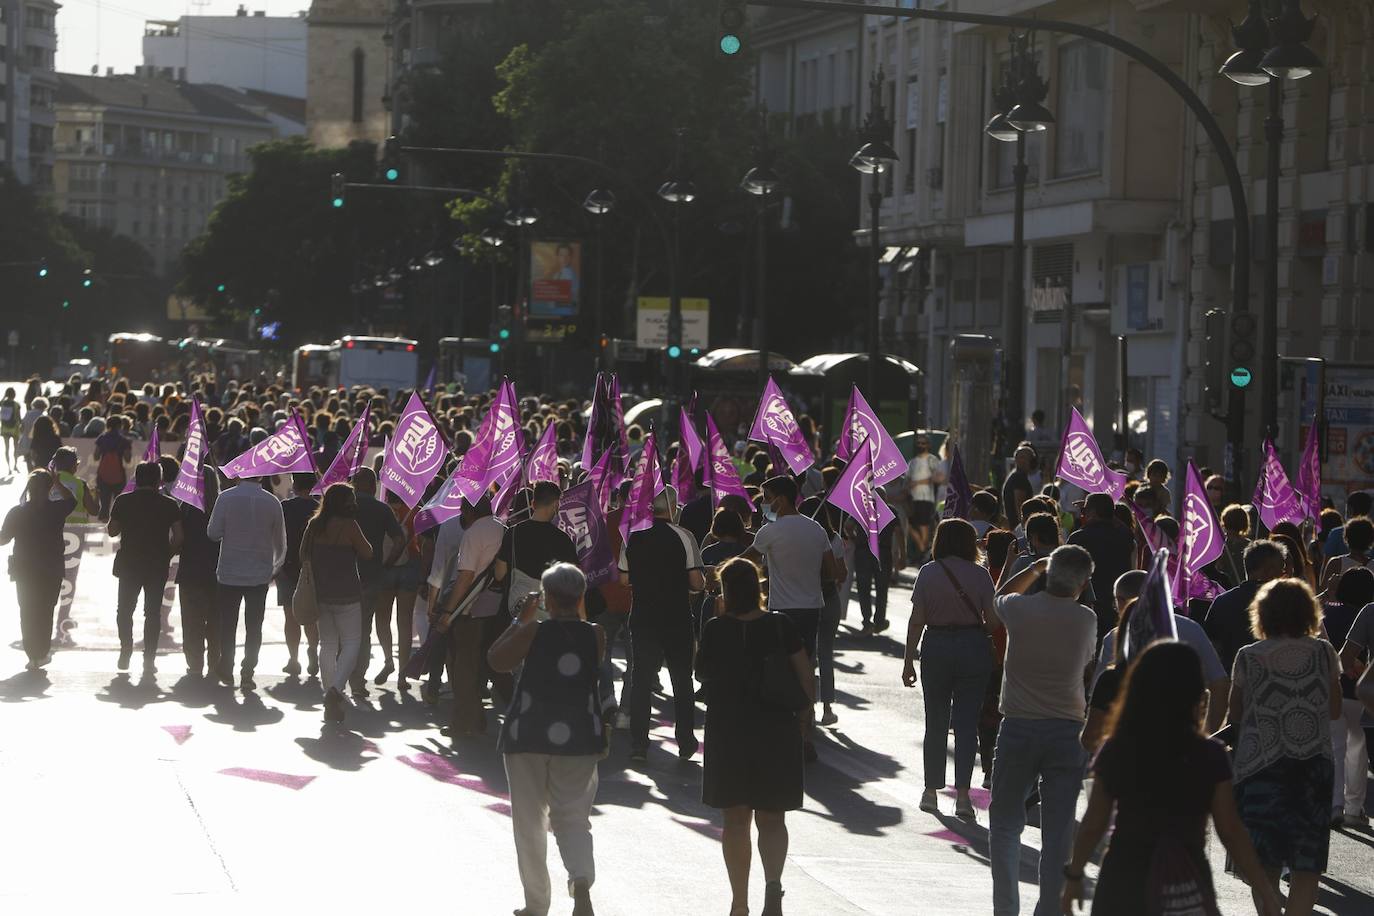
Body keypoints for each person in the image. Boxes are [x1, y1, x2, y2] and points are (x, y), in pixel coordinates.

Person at [1061, 642, 1282, 916]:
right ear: (1195, 695)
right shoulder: (1209, 755)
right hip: (1185, 882)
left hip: (1123, 881)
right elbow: (1231, 830)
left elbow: (1094, 823)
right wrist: (1265, 890)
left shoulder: (1118, 749)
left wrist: (1074, 875)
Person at [986, 544, 1097, 916]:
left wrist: (1033, 568)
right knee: (1058, 831)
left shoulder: (1020, 609)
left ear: (1049, 573)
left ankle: (1006, 908)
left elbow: (998, 597)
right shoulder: (1086, 619)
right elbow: (1087, 664)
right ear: (1083, 582)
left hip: (1018, 725)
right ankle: (1049, 909)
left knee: (1004, 822)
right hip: (1068, 729)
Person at [696, 557, 811, 916]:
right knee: (773, 818)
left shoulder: (716, 628)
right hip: (776, 728)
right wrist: (805, 720)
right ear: (759, 586)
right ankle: (773, 888)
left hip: (729, 731)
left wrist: (716, 618)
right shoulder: (781, 625)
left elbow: (701, 672)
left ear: (726, 591)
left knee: (735, 820)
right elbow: (805, 676)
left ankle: (739, 903)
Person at [488, 562, 603, 916]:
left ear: (547, 598)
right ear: (581, 595)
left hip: (528, 733)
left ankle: (536, 905)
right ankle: (580, 878)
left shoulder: (534, 631)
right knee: (573, 817)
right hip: (580, 737)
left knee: (529, 822)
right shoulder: (595, 634)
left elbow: (496, 660)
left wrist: (521, 618)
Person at [1229, 579, 1342, 916]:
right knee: (1307, 863)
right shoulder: (1323, 652)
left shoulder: (1248, 657)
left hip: (1260, 767)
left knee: (1264, 861)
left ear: (1262, 614)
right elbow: (1334, 710)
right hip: (1312, 767)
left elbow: (1235, 715)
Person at [901, 518, 994, 819]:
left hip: (937, 645)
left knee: (936, 721)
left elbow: (917, 620)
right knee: (967, 725)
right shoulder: (980, 575)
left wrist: (907, 661)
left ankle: (930, 792)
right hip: (972, 645)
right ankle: (964, 797)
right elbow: (992, 621)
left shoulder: (928, 573)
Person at [1086, 570, 1230, 742]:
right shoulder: (1191, 628)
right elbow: (1220, 683)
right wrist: (1207, 734)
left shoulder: (1116, 638)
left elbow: (1099, 702)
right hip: (1183, 740)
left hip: (1133, 743)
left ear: (1122, 600)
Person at [621, 487, 704, 763]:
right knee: (681, 680)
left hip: (643, 616)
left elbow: (624, 580)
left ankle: (638, 744)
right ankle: (685, 740)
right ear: (673, 507)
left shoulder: (632, 535)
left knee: (641, 679)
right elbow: (696, 582)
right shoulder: (685, 537)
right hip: (677, 617)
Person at [434, 495, 508, 735]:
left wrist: (448, 611)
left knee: (463, 667)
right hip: (497, 608)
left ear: (468, 512)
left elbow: (465, 577)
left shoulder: (474, 533)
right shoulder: (503, 528)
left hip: (471, 609)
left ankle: (464, 722)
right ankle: (479, 719)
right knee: (488, 667)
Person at [208, 475, 287, 691]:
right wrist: (274, 567)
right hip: (259, 574)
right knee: (254, 627)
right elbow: (280, 542)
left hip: (229, 572)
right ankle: (247, 672)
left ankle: (227, 664)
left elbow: (213, 533)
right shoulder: (272, 502)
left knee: (228, 624)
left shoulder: (225, 498)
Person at [304, 483, 372, 723]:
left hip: (321, 594)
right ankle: (335, 690)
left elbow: (303, 554)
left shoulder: (314, 525)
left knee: (328, 645)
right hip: (348, 594)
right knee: (352, 643)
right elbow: (368, 553)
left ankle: (329, 694)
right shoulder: (350, 526)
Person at [108, 461, 184, 673]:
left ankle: (126, 649)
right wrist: (166, 554)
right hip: (156, 564)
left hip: (129, 564)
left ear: (136, 478)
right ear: (159, 480)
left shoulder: (124, 501)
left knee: (124, 610)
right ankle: (149, 658)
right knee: (152, 613)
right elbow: (179, 537)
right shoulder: (169, 504)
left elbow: (112, 531)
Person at [0, 470, 76, 670]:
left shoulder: (17, 512)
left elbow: (3, 538)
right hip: (51, 568)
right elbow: (72, 501)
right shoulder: (56, 510)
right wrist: (58, 483)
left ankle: (32, 654)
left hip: (24, 569)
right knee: (45, 611)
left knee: (27, 611)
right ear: (49, 488)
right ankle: (41, 653)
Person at [347, 467, 405, 694]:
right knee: (363, 629)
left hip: (342, 575)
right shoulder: (382, 509)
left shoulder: (344, 509)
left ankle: (340, 674)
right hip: (372, 575)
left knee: (342, 628)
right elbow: (399, 540)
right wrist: (387, 564)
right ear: (373, 486)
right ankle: (358, 679)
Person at [1323, 567, 1372, 826]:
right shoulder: (1366, 612)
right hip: (1363, 694)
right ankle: (1354, 807)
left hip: (1333, 686)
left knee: (1336, 747)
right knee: (1358, 751)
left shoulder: (1327, 612)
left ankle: (1335, 805)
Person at [1203, 539, 1286, 676]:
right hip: (1276, 682)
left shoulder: (1222, 602)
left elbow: (1211, 649)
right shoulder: (1285, 601)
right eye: (1281, 570)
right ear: (1269, 570)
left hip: (1233, 679)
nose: (1284, 575)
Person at [1067, 493, 1136, 638]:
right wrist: (1106, 511)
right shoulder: (1124, 537)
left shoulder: (1078, 538)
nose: (1083, 515)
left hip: (1087, 608)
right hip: (1119, 605)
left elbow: (1067, 573)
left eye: (1085, 511)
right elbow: (1126, 530)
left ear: (1092, 512)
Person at [373, 489, 422, 686]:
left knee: (382, 618)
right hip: (410, 565)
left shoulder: (382, 511)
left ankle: (388, 660)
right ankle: (402, 674)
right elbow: (422, 542)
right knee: (404, 621)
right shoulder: (415, 511)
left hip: (385, 567)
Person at [176, 467, 221, 679]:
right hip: (218, 571)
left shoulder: (186, 508)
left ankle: (194, 663)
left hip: (190, 570)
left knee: (191, 620)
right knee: (215, 620)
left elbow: (178, 539)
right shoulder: (222, 506)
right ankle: (214, 663)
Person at [278, 474, 321, 677]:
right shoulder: (320, 507)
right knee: (311, 615)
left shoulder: (286, 507)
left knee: (290, 616)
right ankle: (312, 649)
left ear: (295, 485)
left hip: (288, 567)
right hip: (313, 567)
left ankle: (293, 659)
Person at [905, 434, 944, 560]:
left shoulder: (932, 460)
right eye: (919, 443)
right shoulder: (912, 462)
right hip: (913, 498)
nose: (921, 445)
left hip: (926, 498)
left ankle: (923, 552)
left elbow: (938, 477)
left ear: (928, 445)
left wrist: (919, 482)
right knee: (910, 524)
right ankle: (923, 549)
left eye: (923, 443)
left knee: (924, 526)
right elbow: (907, 479)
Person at [1318, 515, 1374, 594]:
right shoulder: (1372, 565)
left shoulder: (1336, 563)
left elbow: (1322, 592)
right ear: (1371, 540)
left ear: (1346, 538)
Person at [92, 415, 132, 520]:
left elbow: (96, 457)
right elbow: (128, 459)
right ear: (120, 425)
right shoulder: (124, 440)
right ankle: (117, 529)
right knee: (119, 504)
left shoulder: (102, 438)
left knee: (104, 505)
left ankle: (101, 531)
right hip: (119, 474)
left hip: (103, 474)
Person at [1001, 445, 1035, 529]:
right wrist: (1023, 527)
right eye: (1023, 457)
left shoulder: (1015, 476)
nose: (1028, 461)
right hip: (1018, 527)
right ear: (1017, 460)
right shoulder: (1019, 478)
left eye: (1030, 458)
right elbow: (1020, 503)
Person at [0, 387, 20, 473]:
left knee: (7, 448)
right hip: (15, 429)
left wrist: (4, 396)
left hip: (5, 429)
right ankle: (15, 465)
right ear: (14, 394)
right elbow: (19, 417)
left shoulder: (3, 403)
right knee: (15, 448)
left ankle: (9, 468)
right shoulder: (16, 404)